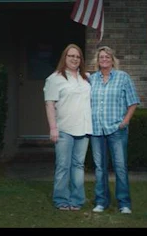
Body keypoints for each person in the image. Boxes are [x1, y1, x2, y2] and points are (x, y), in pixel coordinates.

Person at [89, 46, 140, 214]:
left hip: (116, 130)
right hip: (97, 130)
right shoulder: (92, 79)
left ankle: (124, 203)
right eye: (101, 57)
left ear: (112, 60)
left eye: (107, 57)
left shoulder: (122, 77)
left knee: (120, 167)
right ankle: (101, 202)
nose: (104, 59)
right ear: (97, 60)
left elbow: (133, 102)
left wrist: (124, 122)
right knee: (100, 168)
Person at [43, 43, 92, 211]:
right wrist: (53, 128)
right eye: (71, 56)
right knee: (63, 165)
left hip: (84, 129)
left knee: (78, 165)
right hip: (64, 129)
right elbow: (49, 104)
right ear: (65, 57)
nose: (75, 59)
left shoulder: (85, 78)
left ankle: (77, 200)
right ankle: (61, 199)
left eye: (78, 57)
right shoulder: (55, 78)